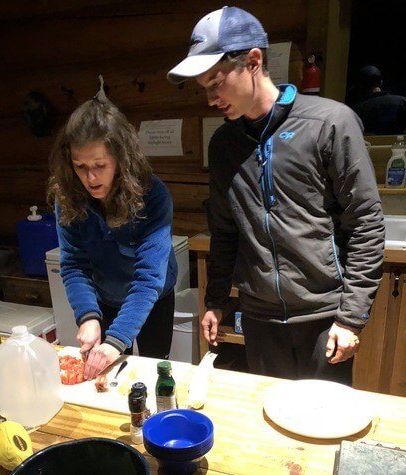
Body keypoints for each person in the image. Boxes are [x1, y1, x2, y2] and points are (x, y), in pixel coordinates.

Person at [168, 6, 385, 385]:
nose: (211, 99)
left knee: (324, 428)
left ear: (254, 61)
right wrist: (216, 301)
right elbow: (224, 230)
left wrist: (351, 318)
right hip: (259, 319)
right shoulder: (223, 145)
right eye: (204, 88)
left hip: (324, 317)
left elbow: (366, 223)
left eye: (216, 82)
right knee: (271, 424)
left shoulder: (330, 123)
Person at [48, 98, 177, 380]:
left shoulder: (153, 197)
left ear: (121, 158)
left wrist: (116, 341)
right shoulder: (68, 196)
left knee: (155, 371)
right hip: (105, 293)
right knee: (110, 375)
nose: (90, 177)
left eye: (100, 165)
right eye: (80, 166)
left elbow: (147, 280)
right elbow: (74, 265)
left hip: (153, 297)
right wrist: (88, 316)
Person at [351, 66, 406, 135]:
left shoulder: (356, 111)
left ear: (360, 85)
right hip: (399, 145)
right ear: (381, 82)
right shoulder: (402, 101)